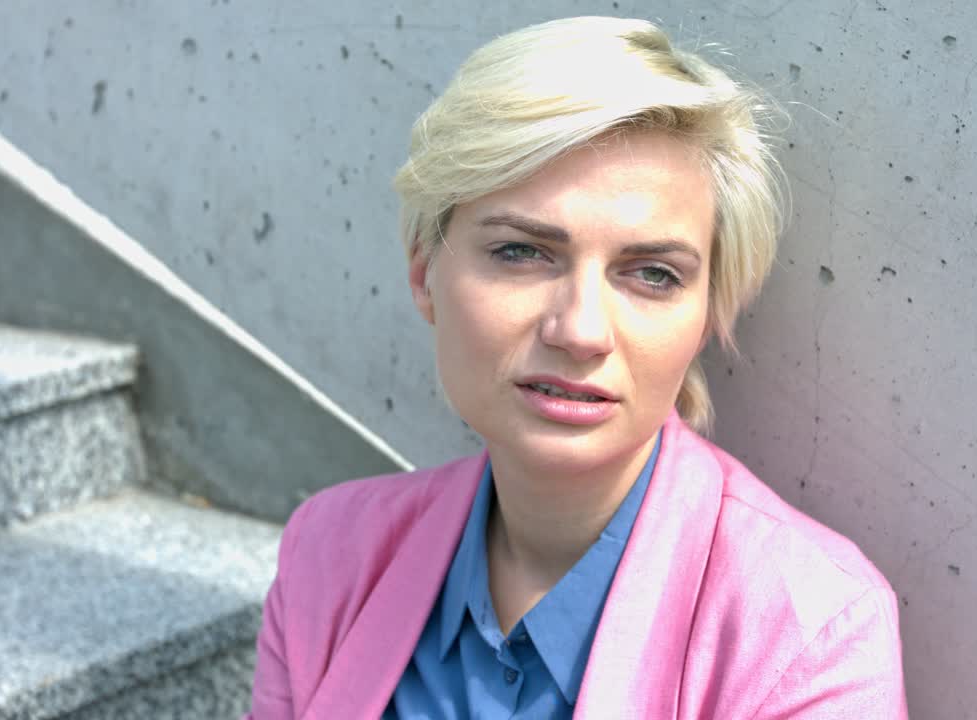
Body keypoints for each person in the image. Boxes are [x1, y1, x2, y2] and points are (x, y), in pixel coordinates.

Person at [246, 16, 906, 719]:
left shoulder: (812, 633)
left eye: (652, 273)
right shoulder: (329, 552)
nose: (581, 331)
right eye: (521, 252)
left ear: (709, 315)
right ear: (424, 272)